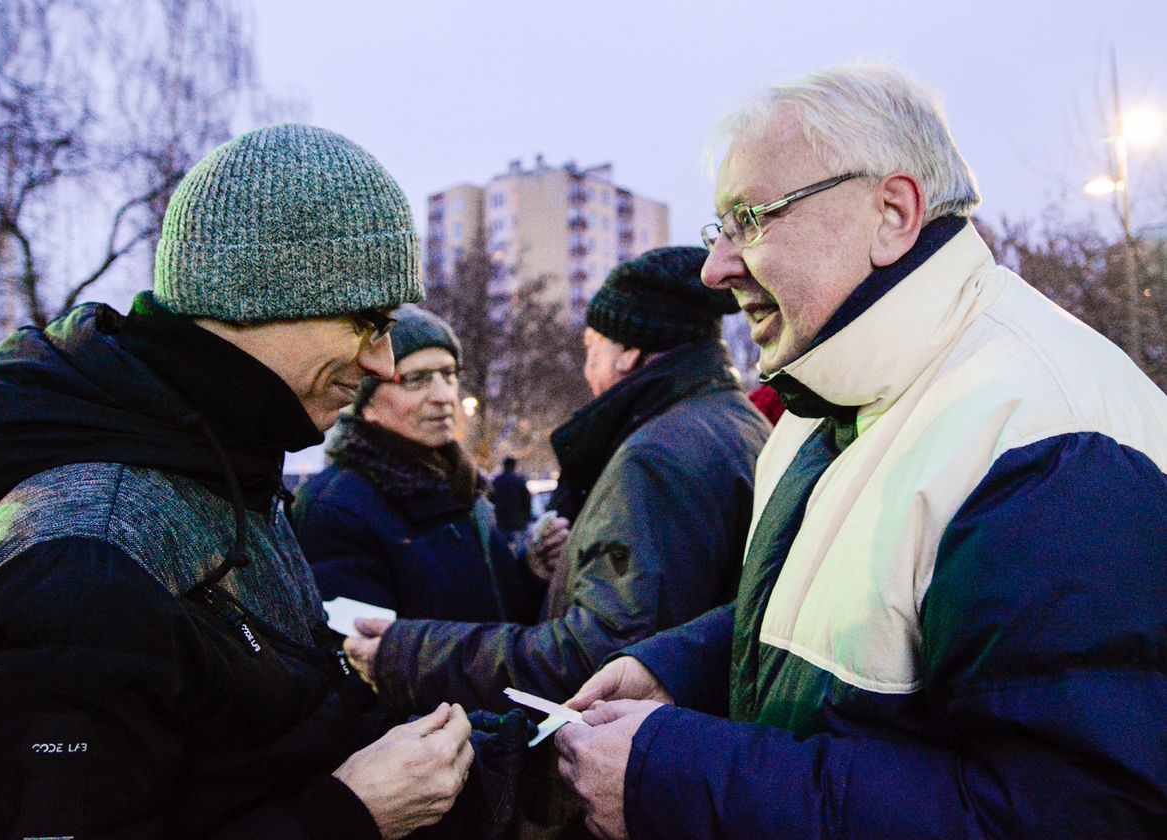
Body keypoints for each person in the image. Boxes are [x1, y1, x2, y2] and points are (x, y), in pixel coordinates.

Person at [553, 65, 1167, 840]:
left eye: (751, 218)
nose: (715, 268)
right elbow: (858, 610)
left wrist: (675, 778)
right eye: (720, 229)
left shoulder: (1046, 441)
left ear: (893, 213)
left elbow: (1064, 815)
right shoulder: (835, 393)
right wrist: (678, 669)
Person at [0, 124, 475, 840]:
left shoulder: (225, 472)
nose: (384, 364)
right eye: (368, 322)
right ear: (256, 297)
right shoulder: (86, 560)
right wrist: (348, 816)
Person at [343, 246, 772, 717]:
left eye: (590, 348)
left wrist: (408, 653)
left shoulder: (658, 456)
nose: (442, 396)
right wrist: (546, 572)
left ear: (627, 353)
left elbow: (599, 657)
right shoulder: (732, 421)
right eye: (415, 380)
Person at [291, 304, 551, 626]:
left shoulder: (465, 488)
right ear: (367, 401)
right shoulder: (334, 509)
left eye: (448, 374)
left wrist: (533, 572)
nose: (443, 396)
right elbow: (363, 656)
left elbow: (497, 618)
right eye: (416, 379)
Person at [488, 456, 533, 555]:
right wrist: (528, 517)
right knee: (520, 553)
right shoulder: (520, 480)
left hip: (502, 522)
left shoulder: (497, 481)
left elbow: (490, 500)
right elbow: (527, 500)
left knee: (504, 552)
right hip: (518, 522)